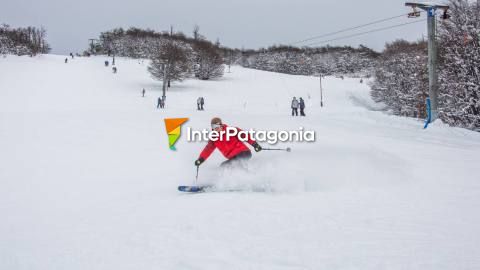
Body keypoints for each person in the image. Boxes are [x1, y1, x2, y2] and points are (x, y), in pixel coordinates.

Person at [194, 117, 262, 168]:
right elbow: (207, 150)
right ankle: (232, 182)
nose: (216, 129)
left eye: (217, 126)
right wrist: (201, 159)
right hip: (233, 157)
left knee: (237, 164)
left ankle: (249, 178)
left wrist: (255, 144)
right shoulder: (213, 139)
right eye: (213, 127)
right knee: (223, 166)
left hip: (243, 153)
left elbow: (245, 136)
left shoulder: (231, 130)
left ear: (221, 125)